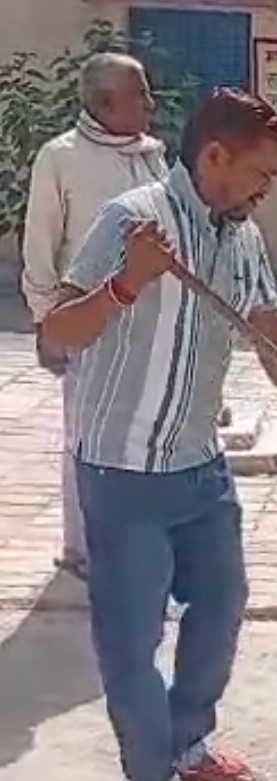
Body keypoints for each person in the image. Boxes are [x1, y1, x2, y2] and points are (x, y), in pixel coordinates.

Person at [41, 88, 277, 781]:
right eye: (260, 173)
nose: (267, 189)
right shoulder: (132, 219)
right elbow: (57, 333)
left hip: (199, 467)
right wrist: (128, 282)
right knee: (131, 638)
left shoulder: (241, 238)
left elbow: (272, 343)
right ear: (214, 156)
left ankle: (189, 745)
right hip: (122, 472)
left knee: (221, 604)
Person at [22, 52, 168, 582]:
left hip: (147, 321)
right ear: (106, 103)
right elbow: (40, 245)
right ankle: (82, 549)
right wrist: (46, 322)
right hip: (87, 321)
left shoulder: (152, 156)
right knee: (86, 437)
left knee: (144, 434)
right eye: (140, 94)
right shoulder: (60, 158)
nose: (151, 103)